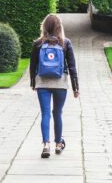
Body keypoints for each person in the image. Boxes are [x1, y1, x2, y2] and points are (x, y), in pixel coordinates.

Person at [30, 14, 79, 159]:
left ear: (44, 26)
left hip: (42, 83)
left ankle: (46, 144)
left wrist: (33, 83)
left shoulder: (38, 43)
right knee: (57, 113)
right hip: (60, 83)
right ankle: (58, 144)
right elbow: (72, 67)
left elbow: (32, 66)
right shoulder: (65, 43)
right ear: (59, 27)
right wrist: (76, 87)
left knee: (45, 113)